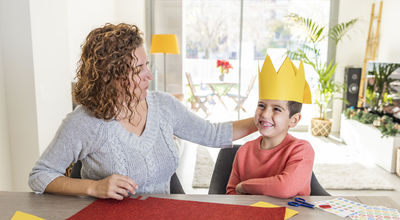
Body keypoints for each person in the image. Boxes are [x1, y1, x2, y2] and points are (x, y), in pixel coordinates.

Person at [29, 23, 256, 200]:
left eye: (147, 65)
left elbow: (213, 134)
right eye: (139, 69)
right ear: (111, 76)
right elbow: (40, 176)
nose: (149, 75)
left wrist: (262, 119)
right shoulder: (84, 122)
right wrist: (94, 187)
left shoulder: (164, 105)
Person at [226, 55, 314, 198]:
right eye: (261, 105)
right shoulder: (244, 151)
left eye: (277, 109)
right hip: (251, 216)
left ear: (294, 120)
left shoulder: (301, 149)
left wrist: (244, 186)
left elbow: (285, 188)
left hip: (293, 218)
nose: (265, 114)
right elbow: (231, 193)